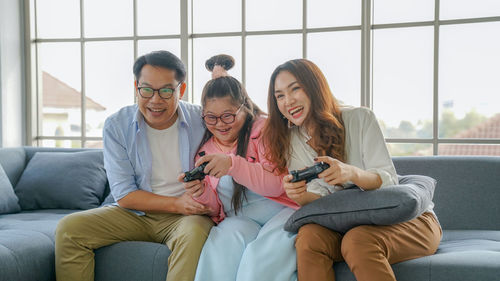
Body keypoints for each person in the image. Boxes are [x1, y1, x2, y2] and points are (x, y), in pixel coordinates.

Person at [263, 58, 442, 281]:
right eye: (279, 95)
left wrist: (351, 173)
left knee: (358, 241)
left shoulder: (360, 118)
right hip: (346, 224)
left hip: (408, 222)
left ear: (314, 87)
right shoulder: (292, 140)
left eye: (295, 89)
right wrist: (300, 195)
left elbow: (388, 180)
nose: (288, 101)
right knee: (308, 237)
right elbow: (321, 198)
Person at [55, 50, 214, 281]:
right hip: (135, 214)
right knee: (69, 229)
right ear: (136, 87)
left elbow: (244, 123)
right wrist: (176, 203)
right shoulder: (117, 125)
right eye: (146, 89)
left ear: (181, 89)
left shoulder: (202, 120)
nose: (155, 100)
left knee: (195, 233)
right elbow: (125, 194)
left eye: (166, 90)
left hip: (186, 216)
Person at [180, 54, 300, 281]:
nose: (220, 124)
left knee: (258, 262)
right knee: (219, 252)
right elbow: (217, 209)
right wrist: (202, 193)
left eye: (228, 115)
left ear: (245, 108)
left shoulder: (264, 130)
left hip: (283, 209)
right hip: (240, 218)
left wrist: (232, 165)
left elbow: (276, 185)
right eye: (211, 118)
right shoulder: (205, 150)